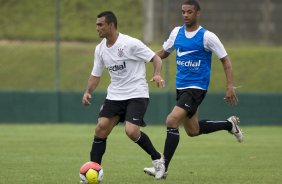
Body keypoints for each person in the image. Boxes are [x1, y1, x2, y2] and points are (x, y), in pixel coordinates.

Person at [144, 0, 244, 179]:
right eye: (183, 12)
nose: (185, 15)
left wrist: (229, 86)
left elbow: (225, 61)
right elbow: (165, 53)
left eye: (189, 12)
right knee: (193, 130)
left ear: (197, 13)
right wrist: (144, 57)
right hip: (181, 87)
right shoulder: (176, 32)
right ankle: (230, 124)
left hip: (197, 87)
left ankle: (163, 166)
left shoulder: (207, 37)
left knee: (171, 120)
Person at [81, 11, 166, 180]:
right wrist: (88, 92)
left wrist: (157, 74)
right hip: (115, 95)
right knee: (101, 129)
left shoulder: (130, 43)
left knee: (131, 131)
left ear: (111, 25)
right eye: (97, 24)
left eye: (100, 24)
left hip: (136, 93)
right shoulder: (100, 49)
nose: (97, 28)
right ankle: (93, 172)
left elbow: (156, 58)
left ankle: (158, 160)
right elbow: (95, 75)